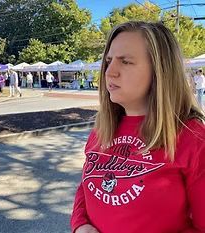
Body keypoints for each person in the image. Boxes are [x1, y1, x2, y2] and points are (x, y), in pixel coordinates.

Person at [70, 21, 205, 233]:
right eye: (108, 61)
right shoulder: (101, 128)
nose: (109, 72)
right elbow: (88, 185)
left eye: (126, 62)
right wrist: (81, 225)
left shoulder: (192, 137)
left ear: (159, 71)